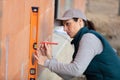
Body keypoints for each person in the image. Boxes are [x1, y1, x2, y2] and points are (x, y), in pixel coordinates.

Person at [34, 9, 120, 80]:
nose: (64, 29)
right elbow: (69, 75)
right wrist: (50, 58)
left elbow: (76, 70)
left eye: (68, 24)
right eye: (63, 25)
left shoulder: (89, 39)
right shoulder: (81, 39)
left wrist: (46, 62)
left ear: (80, 21)